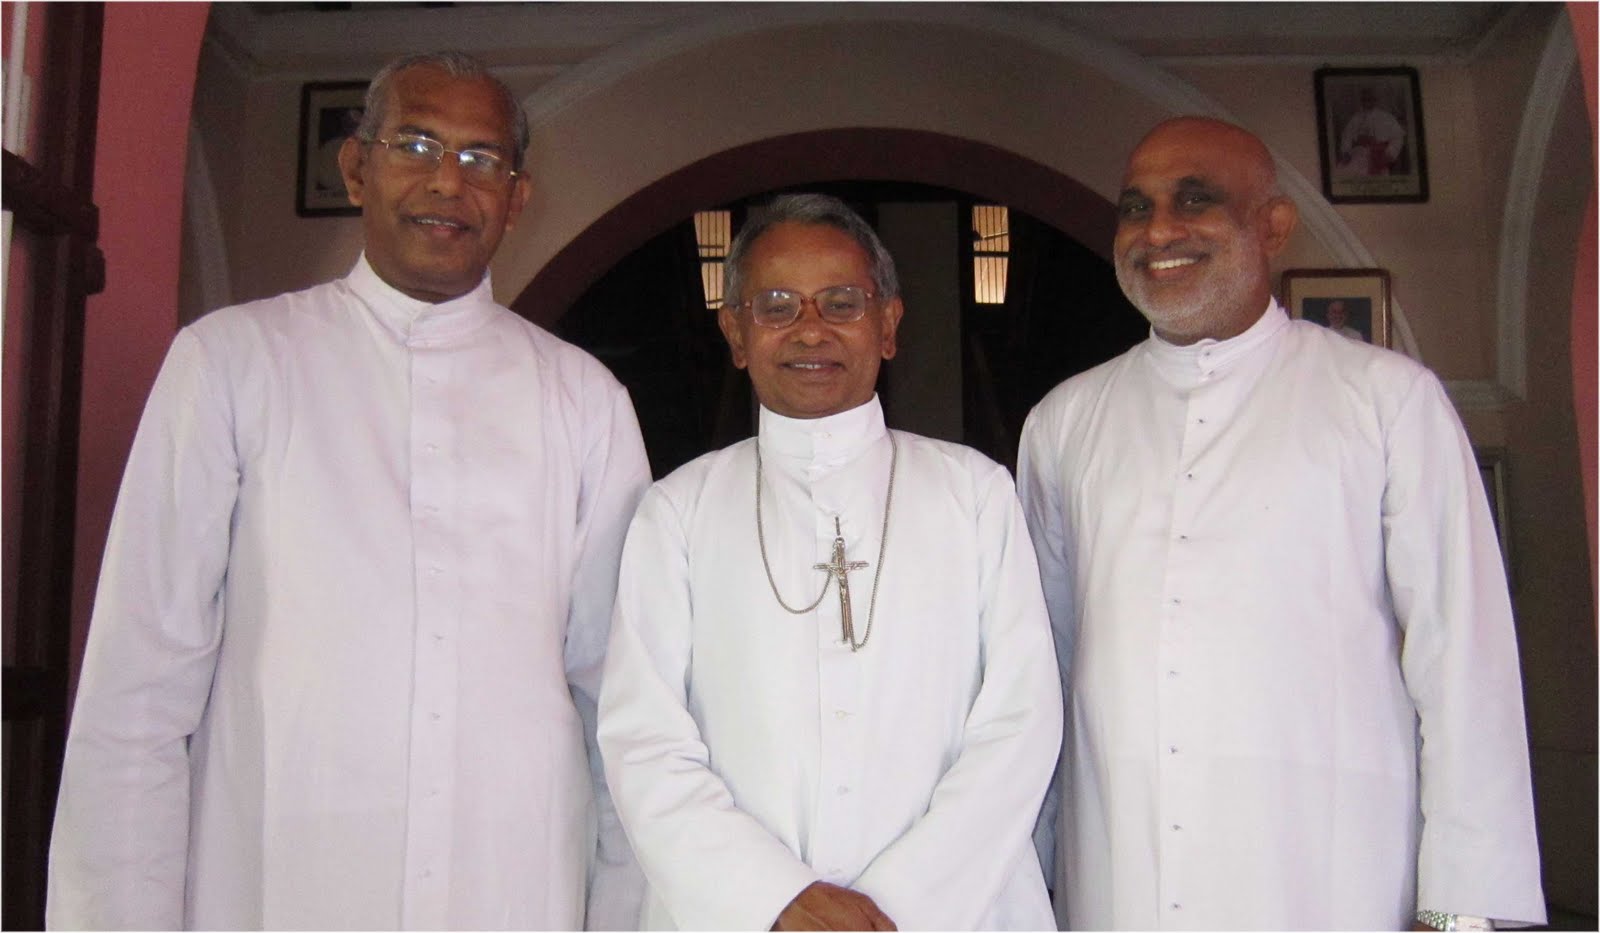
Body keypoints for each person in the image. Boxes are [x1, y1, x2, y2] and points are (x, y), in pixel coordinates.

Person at [47, 51, 650, 930]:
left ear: (517, 198)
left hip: (511, 886)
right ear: (356, 168)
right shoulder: (232, 364)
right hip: (279, 886)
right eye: (416, 144)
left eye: (482, 160)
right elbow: (139, 692)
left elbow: (622, 709)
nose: (449, 182)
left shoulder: (585, 400)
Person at [1017, 117, 1544, 930]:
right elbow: (1040, 670)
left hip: (1331, 876)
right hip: (1118, 879)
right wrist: (1028, 877)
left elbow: (1461, 658)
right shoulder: (1064, 421)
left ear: (1273, 226)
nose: (1158, 230)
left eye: (1196, 200)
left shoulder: (1385, 400)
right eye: (1134, 207)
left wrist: (1464, 906)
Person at [598, 194, 1062, 931]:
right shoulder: (678, 509)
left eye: (842, 302)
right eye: (777, 304)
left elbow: (1021, 719)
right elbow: (643, 736)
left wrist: (892, 907)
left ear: (888, 326)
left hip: (954, 911)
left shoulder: (974, 493)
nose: (810, 327)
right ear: (736, 331)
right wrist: (776, 899)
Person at [1338, 86, 1407, 176]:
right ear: (1361, 101)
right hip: (1358, 153)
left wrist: (1390, 153)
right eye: (1364, 99)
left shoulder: (1386, 117)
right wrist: (1346, 152)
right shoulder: (1356, 118)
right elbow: (1346, 136)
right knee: (1343, 171)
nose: (1367, 102)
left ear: (1375, 100)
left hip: (1379, 154)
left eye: (1369, 99)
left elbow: (1398, 137)